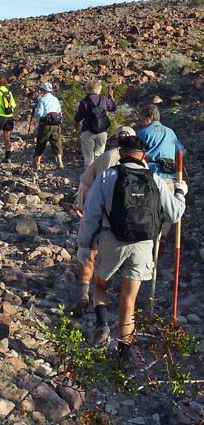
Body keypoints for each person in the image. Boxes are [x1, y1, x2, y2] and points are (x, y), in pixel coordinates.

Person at [77, 136, 187, 360]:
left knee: (100, 286)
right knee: (129, 300)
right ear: (143, 156)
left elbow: (91, 216)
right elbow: (174, 213)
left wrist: (84, 244)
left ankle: (103, 323)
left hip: (111, 241)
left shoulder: (107, 177)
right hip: (143, 245)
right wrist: (180, 192)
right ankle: (123, 356)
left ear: (121, 153)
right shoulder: (154, 179)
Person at [71, 127, 136, 317]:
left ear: (116, 140)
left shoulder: (107, 157)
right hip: (127, 224)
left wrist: (81, 205)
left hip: (99, 216)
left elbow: (85, 182)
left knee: (87, 254)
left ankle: (85, 294)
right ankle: (115, 304)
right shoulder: (141, 163)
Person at [74, 80, 117, 169]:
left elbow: (79, 116)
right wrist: (111, 97)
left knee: (88, 156)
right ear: (98, 89)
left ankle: (89, 177)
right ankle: (99, 175)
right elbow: (113, 108)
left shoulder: (84, 101)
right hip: (102, 131)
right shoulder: (104, 99)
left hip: (87, 131)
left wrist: (76, 124)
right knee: (99, 154)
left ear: (88, 89)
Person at [137, 104, 184, 183]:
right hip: (170, 175)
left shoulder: (143, 133)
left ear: (150, 117)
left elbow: (136, 154)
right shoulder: (170, 132)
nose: (141, 123)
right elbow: (180, 151)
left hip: (151, 175)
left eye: (142, 119)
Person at [33, 82, 63, 170]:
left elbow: (40, 113)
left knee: (41, 142)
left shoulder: (42, 99)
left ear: (44, 90)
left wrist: (35, 117)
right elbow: (59, 112)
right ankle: (59, 162)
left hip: (45, 124)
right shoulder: (55, 99)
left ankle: (37, 163)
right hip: (56, 124)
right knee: (57, 143)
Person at [0, 74, 17, 163]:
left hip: (0, 115)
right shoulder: (9, 92)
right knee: (7, 136)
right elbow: (14, 105)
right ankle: (8, 156)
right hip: (9, 116)